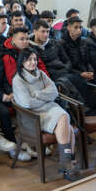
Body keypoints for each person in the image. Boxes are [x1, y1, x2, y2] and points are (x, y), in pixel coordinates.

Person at [12, 49, 82, 181]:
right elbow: (27, 103)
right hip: (34, 115)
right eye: (29, 60)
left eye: (34, 59)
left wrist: (37, 95)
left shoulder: (41, 74)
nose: (33, 62)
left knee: (66, 121)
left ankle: (66, 162)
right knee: (67, 124)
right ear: (22, 62)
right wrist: (45, 96)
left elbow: (54, 92)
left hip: (49, 108)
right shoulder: (18, 80)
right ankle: (68, 162)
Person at [31, 20, 96, 114]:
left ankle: (91, 106)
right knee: (69, 81)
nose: (46, 34)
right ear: (35, 31)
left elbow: (67, 61)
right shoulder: (31, 48)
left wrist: (65, 69)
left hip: (64, 71)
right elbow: (40, 68)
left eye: (47, 31)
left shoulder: (55, 43)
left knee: (80, 80)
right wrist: (62, 72)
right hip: (51, 76)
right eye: (43, 31)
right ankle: (81, 110)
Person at [61, 16, 96, 82]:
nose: (79, 30)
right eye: (76, 27)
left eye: (80, 27)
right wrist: (80, 74)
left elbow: (88, 61)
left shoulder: (83, 42)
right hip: (74, 75)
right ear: (69, 28)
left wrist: (91, 71)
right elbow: (66, 66)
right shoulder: (62, 44)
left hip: (85, 72)